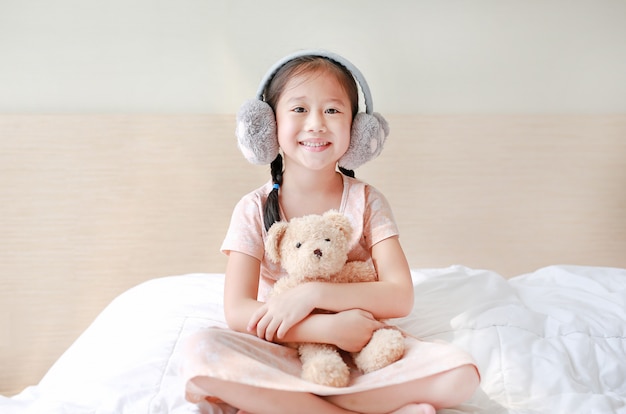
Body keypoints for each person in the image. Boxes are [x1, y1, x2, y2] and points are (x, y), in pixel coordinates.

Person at [180, 50, 480, 414]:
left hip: (362, 345)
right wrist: (324, 329)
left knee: (461, 372)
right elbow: (239, 311)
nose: (316, 124)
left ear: (357, 130)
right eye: (299, 109)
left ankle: (309, 404)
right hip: (286, 345)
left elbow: (400, 296)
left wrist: (313, 295)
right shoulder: (252, 209)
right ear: (268, 124)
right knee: (201, 351)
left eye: (333, 110)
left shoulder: (368, 201)